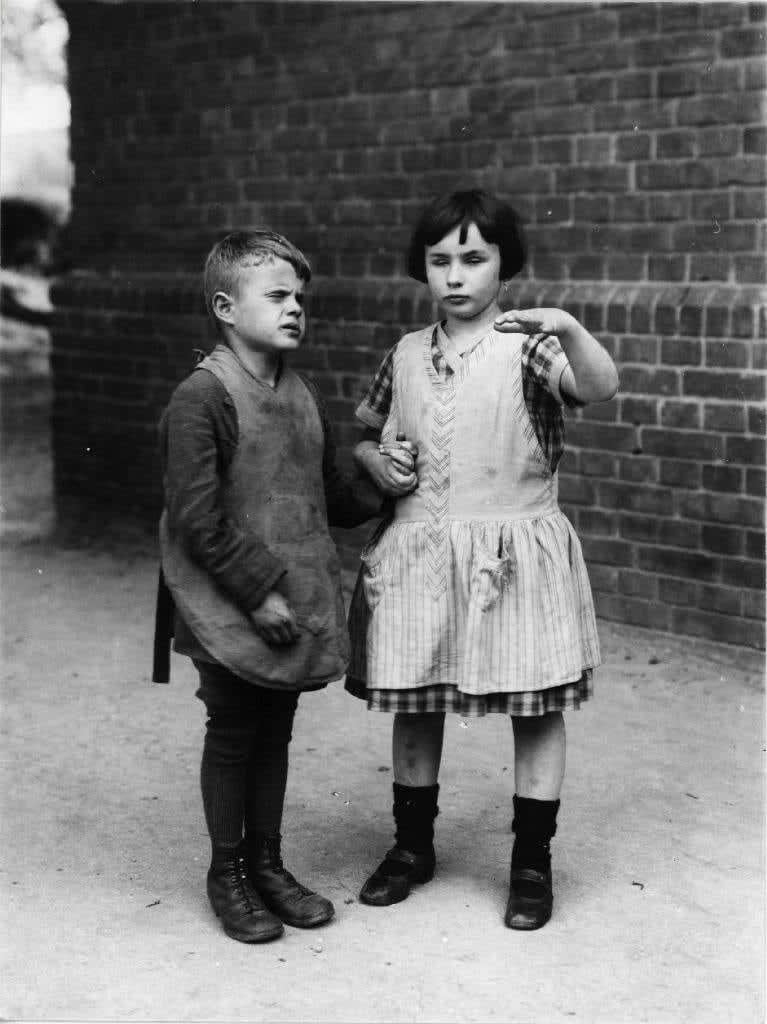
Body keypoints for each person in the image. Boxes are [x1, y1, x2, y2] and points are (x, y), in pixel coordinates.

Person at [346, 189, 619, 930]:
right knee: (414, 699)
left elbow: (597, 387)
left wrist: (566, 326)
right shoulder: (402, 353)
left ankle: (530, 862)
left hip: (511, 553)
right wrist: (377, 460)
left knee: (533, 707)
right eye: (440, 261)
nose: (456, 276)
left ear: (504, 264)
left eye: (473, 258)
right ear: (422, 269)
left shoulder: (529, 343)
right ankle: (410, 848)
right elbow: (366, 434)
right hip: (419, 553)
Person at [154, 230, 381, 943]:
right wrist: (256, 592)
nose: (295, 309)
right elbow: (196, 518)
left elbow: (332, 501)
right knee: (232, 728)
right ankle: (228, 874)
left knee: (275, 727)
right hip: (224, 598)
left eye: (299, 298)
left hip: (290, 596)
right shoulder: (203, 397)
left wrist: (384, 476)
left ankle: (268, 865)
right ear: (225, 306)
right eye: (277, 295)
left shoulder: (299, 393)